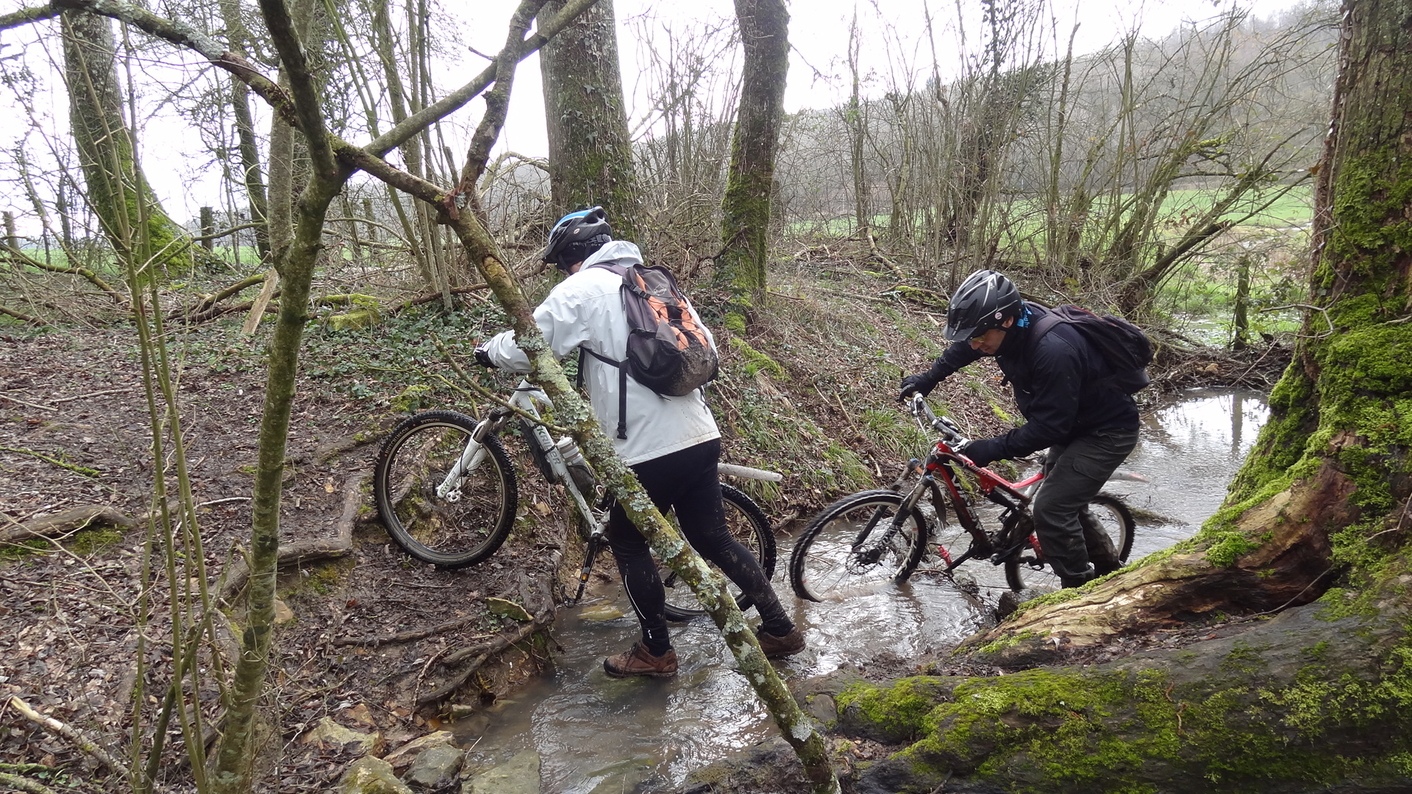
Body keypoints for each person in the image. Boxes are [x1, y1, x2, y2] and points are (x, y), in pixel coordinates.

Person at [475, 207, 805, 677]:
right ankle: (778, 626)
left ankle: (656, 651)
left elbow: (530, 345)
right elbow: (705, 346)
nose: (563, 272)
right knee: (713, 536)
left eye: (562, 263)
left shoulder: (581, 289)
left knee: (628, 542)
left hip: (647, 448)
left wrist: (488, 351)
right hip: (699, 432)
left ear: (571, 256)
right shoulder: (656, 284)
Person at [898, 269, 1141, 588]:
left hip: (1107, 432)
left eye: (980, 336)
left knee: (1052, 509)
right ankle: (1109, 570)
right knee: (1067, 501)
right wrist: (929, 378)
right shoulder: (1005, 331)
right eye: (972, 336)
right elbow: (966, 347)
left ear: (1007, 321)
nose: (975, 344)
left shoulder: (1053, 350)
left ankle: (1079, 593)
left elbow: (1048, 428)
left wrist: (989, 448)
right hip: (1075, 422)